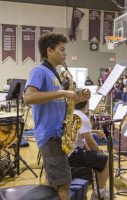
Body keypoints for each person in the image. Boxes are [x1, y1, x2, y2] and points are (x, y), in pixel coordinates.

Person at [23, 32, 90, 200]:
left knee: (54, 180)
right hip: (50, 135)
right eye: (61, 49)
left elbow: (56, 103)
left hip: (58, 135)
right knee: (64, 183)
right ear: (49, 51)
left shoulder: (54, 74)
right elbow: (28, 97)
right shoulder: (39, 71)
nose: (65, 53)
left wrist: (76, 99)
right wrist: (62, 92)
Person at [68, 90, 109, 199]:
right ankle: (98, 193)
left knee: (97, 157)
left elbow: (81, 138)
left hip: (67, 152)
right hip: (73, 154)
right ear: (87, 103)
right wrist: (100, 152)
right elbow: (90, 142)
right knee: (105, 159)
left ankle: (99, 188)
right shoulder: (82, 117)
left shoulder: (71, 112)